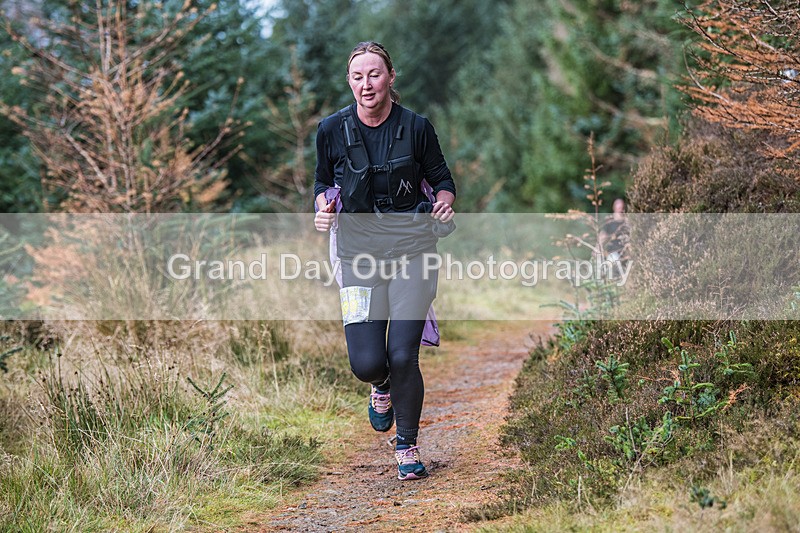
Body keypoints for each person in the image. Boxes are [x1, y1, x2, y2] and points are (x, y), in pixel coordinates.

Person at [313, 41, 456, 480]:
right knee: (368, 363)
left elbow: (443, 181)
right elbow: (322, 181)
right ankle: (380, 389)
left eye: (374, 74)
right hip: (358, 255)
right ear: (349, 82)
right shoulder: (331, 130)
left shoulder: (416, 128)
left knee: (402, 354)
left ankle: (407, 446)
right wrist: (323, 205)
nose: (366, 84)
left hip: (413, 252)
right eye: (357, 77)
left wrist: (444, 204)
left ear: (391, 77)